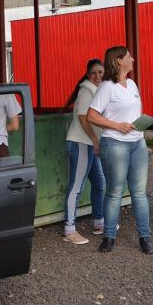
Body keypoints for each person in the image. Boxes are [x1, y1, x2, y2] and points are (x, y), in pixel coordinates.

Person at [86, 46, 153, 254]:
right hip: (115, 143)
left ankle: (145, 237)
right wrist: (118, 125)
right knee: (115, 192)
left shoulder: (132, 84)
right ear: (118, 62)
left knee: (139, 193)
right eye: (128, 57)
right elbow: (91, 115)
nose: (132, 59)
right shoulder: (107, 87)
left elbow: (133, 111)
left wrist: (139, 123)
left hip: (137, 143)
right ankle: (109, 237)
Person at [62, 59, 106, 245]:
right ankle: (69, 230)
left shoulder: (98, 91)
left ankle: (99, 222)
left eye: (100, 72)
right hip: (81, 143)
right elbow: (82, 118)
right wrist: (95, 140)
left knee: (99, 182)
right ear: (88, 75)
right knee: (76, 186)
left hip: (89, 144)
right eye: (94, 73)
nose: (97, 76)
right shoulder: (87, 90)